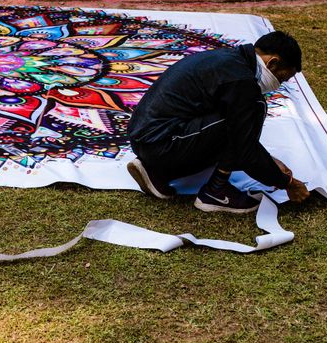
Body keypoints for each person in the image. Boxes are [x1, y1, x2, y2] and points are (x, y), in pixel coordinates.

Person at [126, 30, 311, 214]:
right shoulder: (241, 80)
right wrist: (286, 182)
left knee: (237, 121)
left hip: (146, 139)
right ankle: (216, 190)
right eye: (281, 78)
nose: (278, 84)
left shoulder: (229, 60)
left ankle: (158, 171)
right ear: (273, 63)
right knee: (253, 110)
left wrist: (268, 161)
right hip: (162, 143)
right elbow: (244, 147)